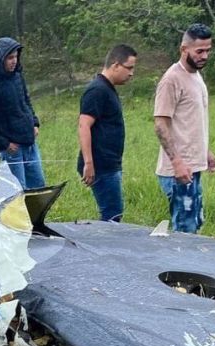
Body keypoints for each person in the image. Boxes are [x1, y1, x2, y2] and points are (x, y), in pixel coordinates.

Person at [154, 23, 215, 234]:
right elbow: (161, 124)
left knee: (195, 223)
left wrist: (205, 151)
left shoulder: (196, 76)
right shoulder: (171, 79)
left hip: (194, 166)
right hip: (178, 170)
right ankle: (180, 267)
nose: (205, 56)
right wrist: (177, 162)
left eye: (208, 50)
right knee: (184, 230)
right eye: (199, 51)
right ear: (184, 49)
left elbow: (191, 121)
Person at [77, 44, 137, 222]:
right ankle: (105, 248)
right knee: (112, 215)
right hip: (100, 165)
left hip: (110, 163)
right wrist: (89, 163)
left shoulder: (107, 88)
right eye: (129, 68)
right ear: (116, 65)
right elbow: (83, 125)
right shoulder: (97, 90)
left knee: (113, 213)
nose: (132, 73)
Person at [0, 37, 45, 189]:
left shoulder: (17, 77)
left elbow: (26, 101)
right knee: (18, 190)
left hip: (29, 143)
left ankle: (37, 214)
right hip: (12, 149)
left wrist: (34, 123)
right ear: (0, 59)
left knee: (38, 185)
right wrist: (3, 144)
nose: (14, 61)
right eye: (10, 57)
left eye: (16, 57)